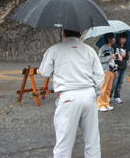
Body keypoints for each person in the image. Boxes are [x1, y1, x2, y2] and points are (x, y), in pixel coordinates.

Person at [39, 29, 104, 158]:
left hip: (68, 96)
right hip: (88, 94)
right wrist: (95, 92)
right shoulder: (89, 50)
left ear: (63, 33)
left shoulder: (54, 50)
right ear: (80, 33)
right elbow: (100, 76)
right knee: (92, 140)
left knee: (64, 142)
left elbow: (45, 72)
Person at [97, 33, 118, 112]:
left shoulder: (111, 49)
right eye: (113, 38)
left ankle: (106, 103)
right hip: (105, 71)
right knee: (103, 88)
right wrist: (109, 57)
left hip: (111, 71)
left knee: (108, 88)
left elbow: (112, 61)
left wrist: (115, 70)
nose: (114, 39)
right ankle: (100, 104)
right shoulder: (103, 48)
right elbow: (100, 60)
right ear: (109, 39)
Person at [110, 32, 130, 104]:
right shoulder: (115, 46)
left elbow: (127, 57)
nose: (124, 40)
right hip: (116, 66)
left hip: (123, 66)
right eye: (123, 38)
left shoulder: (125, 47)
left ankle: (117, 96)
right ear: (119, 38)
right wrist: (118, 57)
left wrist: (124, 56)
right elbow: (112, 56)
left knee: (120, 82)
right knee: (114, 83)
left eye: (125, 39)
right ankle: (109, 96)